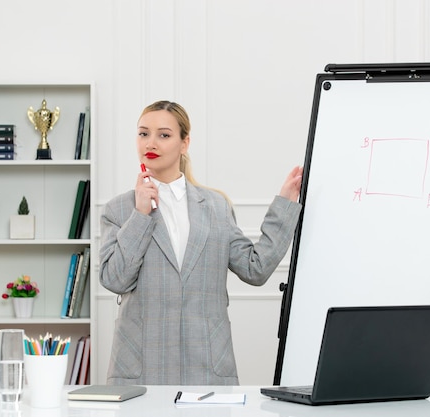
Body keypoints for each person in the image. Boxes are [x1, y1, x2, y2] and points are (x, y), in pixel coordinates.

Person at [99, 100, 303, 385]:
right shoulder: (119, 210)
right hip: (141, 370)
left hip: (207, 369)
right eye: (143, 133)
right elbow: (114, 279)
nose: (151, 142)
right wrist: (140, 214)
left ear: (185, 143)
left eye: (164, 134)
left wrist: (284, 204)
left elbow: (255, 269)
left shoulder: (216, 207)